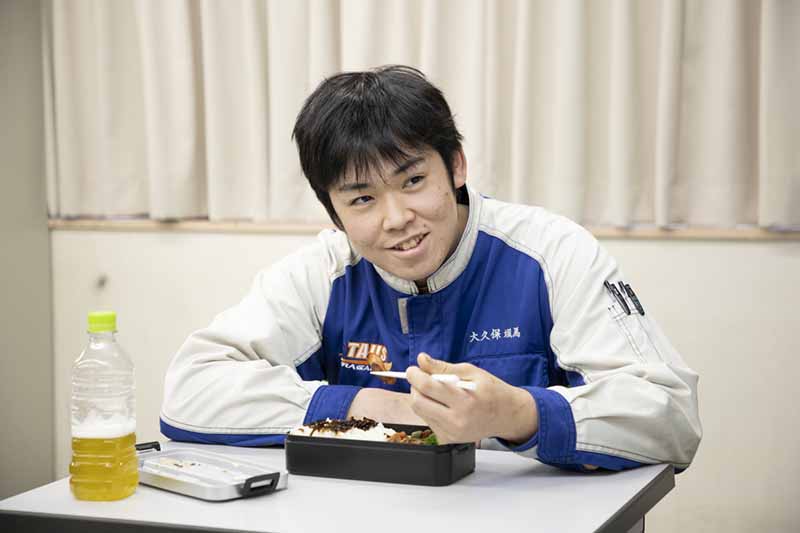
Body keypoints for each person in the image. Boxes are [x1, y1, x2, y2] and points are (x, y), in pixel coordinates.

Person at [161, 65, 701, 471]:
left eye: (413, 181)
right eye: (362, 199)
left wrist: (519, 414)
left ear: (456, 165)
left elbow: (671, 416)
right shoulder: (323, 273)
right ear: (334, 213)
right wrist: (365, 405)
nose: (397, 218)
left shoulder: (552, 252)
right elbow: (189, 393)